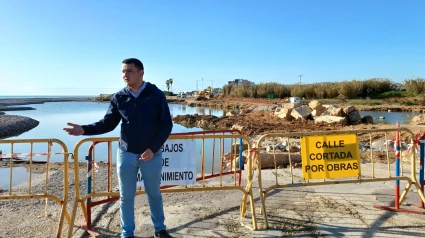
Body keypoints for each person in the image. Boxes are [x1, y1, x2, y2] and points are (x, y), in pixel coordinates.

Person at [63, 58, 173, 238]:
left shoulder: (156, 94)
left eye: (129, 71)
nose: (125, 75)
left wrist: (153, 148)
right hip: (126, 153)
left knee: (154, 194)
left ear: (141, 73)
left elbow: (166, 125)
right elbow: (108, 123)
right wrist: (84, 129)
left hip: (151, 154)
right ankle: (127, 233)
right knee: (126, 196)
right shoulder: (120, 97)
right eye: (123, 72)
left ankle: (159, 229)